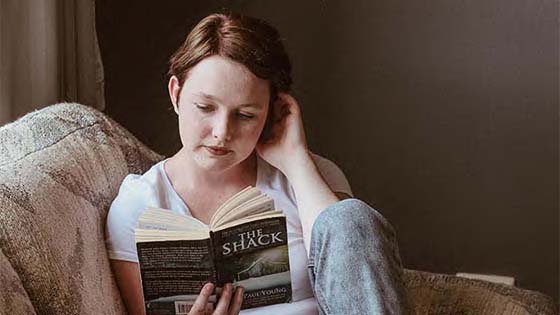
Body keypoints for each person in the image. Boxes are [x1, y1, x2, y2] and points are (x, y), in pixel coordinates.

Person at [105, 12, 412, 315]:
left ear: (272, 111)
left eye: (246, 115)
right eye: (205, 107)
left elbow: (353, 272)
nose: (222, 132)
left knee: (348, 217)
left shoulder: (312, 177)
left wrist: (295, 161)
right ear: (176, 94)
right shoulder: (139, 204)